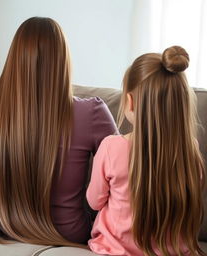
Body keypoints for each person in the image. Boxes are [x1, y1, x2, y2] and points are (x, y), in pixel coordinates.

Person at [0, 17, 118, 246]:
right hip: (67, 232)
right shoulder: (92, 112)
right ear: (62, 60)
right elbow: (124, 172)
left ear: (14, 59)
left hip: (0, 226)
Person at [86, 46, 206, 255]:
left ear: (130, 101)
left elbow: (94, 201)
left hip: (115, 250)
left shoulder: (111, 147)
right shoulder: (191, 151)